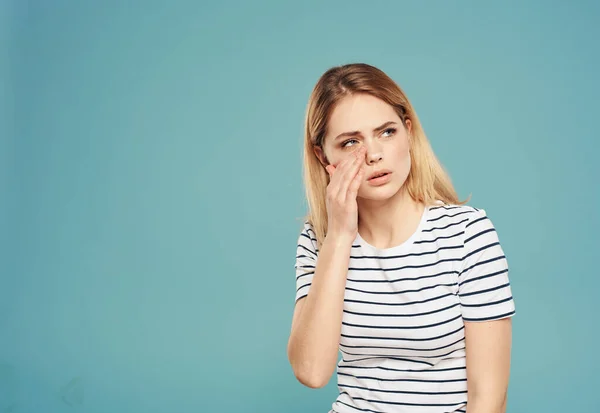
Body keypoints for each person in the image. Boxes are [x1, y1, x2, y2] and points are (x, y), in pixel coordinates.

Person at [287, 63, 515, 413]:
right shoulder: (319, 239)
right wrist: (339, 237)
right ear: (323, 156)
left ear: (408, 132)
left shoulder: (467, 234)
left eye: (387, 132)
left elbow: (489, 397)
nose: (374, 154)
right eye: (351, 142)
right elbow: (312, 371)